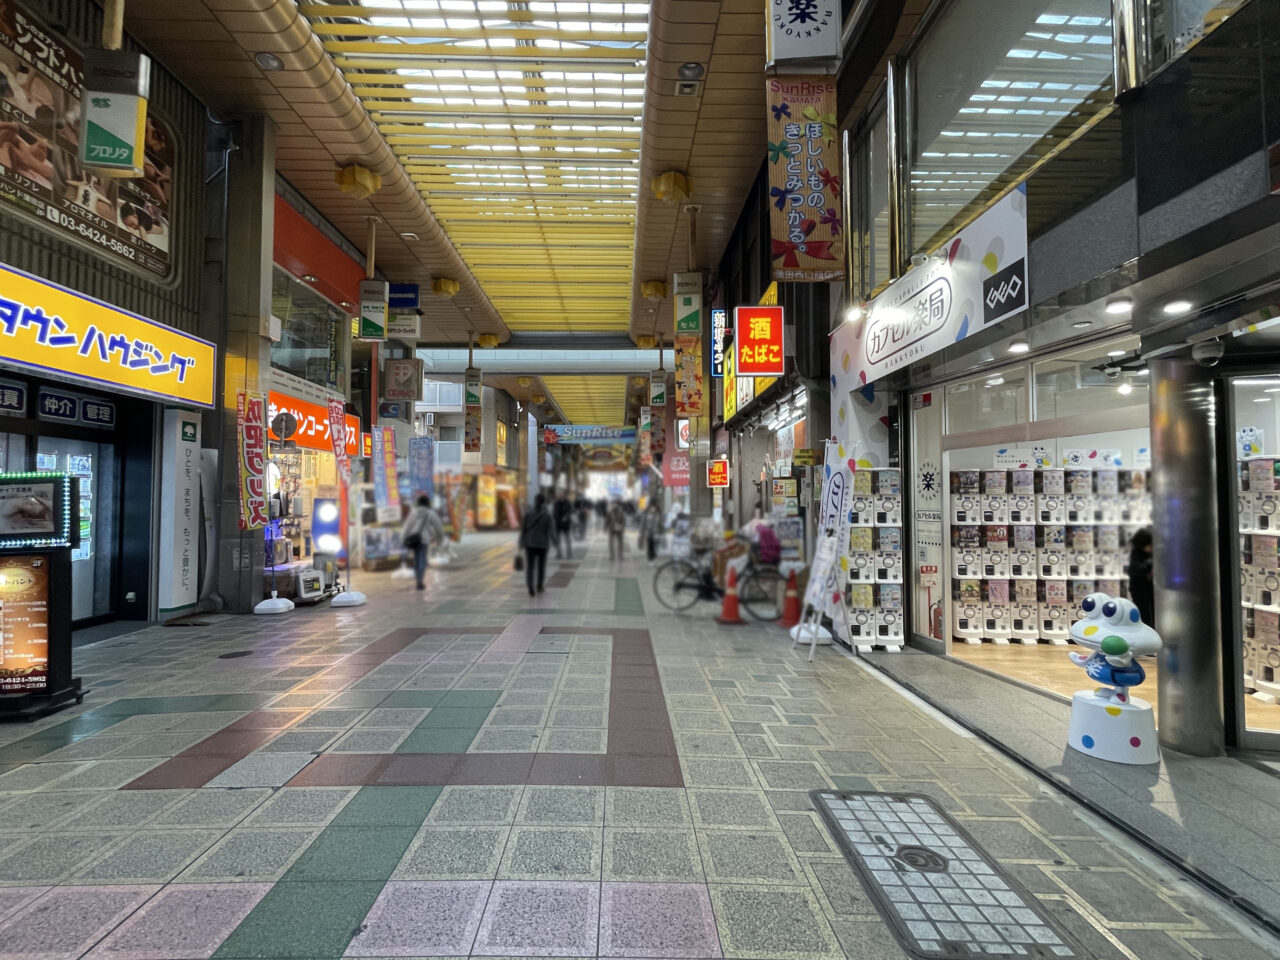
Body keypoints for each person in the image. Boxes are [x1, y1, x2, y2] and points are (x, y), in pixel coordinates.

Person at [401, 495, 444, 591]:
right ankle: (419, 581)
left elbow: (407, 526)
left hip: (414, 539)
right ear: (427, 503)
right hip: (424, 540)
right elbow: (438, 527)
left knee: (417, 559)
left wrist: (403, 538)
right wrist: (440, 539)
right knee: (422, 560)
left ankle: (418, 579)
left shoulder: (413, 513)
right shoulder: (430, 513)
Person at [520, 492, 553, 596]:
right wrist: (556, 541)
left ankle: (530, 585)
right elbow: (551, 529)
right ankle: (539, 586)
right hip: (543, 544)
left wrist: (521, 542)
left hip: (530, 543)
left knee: (530, 565)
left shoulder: (528, 513)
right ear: (544, 502)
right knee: (541, 566)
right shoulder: (547, 514)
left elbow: (524, 529)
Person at [1128, 527, 1155, 627]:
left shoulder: (1148, 553)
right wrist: (1149, 564)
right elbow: (1135, 569)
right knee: (1144, 614)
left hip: (1148, 588)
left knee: (1151, 613)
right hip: (1140, 589)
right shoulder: (1137, 553)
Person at [553, 489, 574, 559]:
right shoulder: (556, 503)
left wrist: (566, 517)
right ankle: (559, 553)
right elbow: (554, 513)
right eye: (558, 494)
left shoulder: (568, 502)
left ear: (563, 494)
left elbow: (570, 511)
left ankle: (569, 552)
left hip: (566, 524)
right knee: (558, 539)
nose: (558, 495)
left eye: (560, 494)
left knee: (567, 538)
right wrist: (557, 519)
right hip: (558, 524)